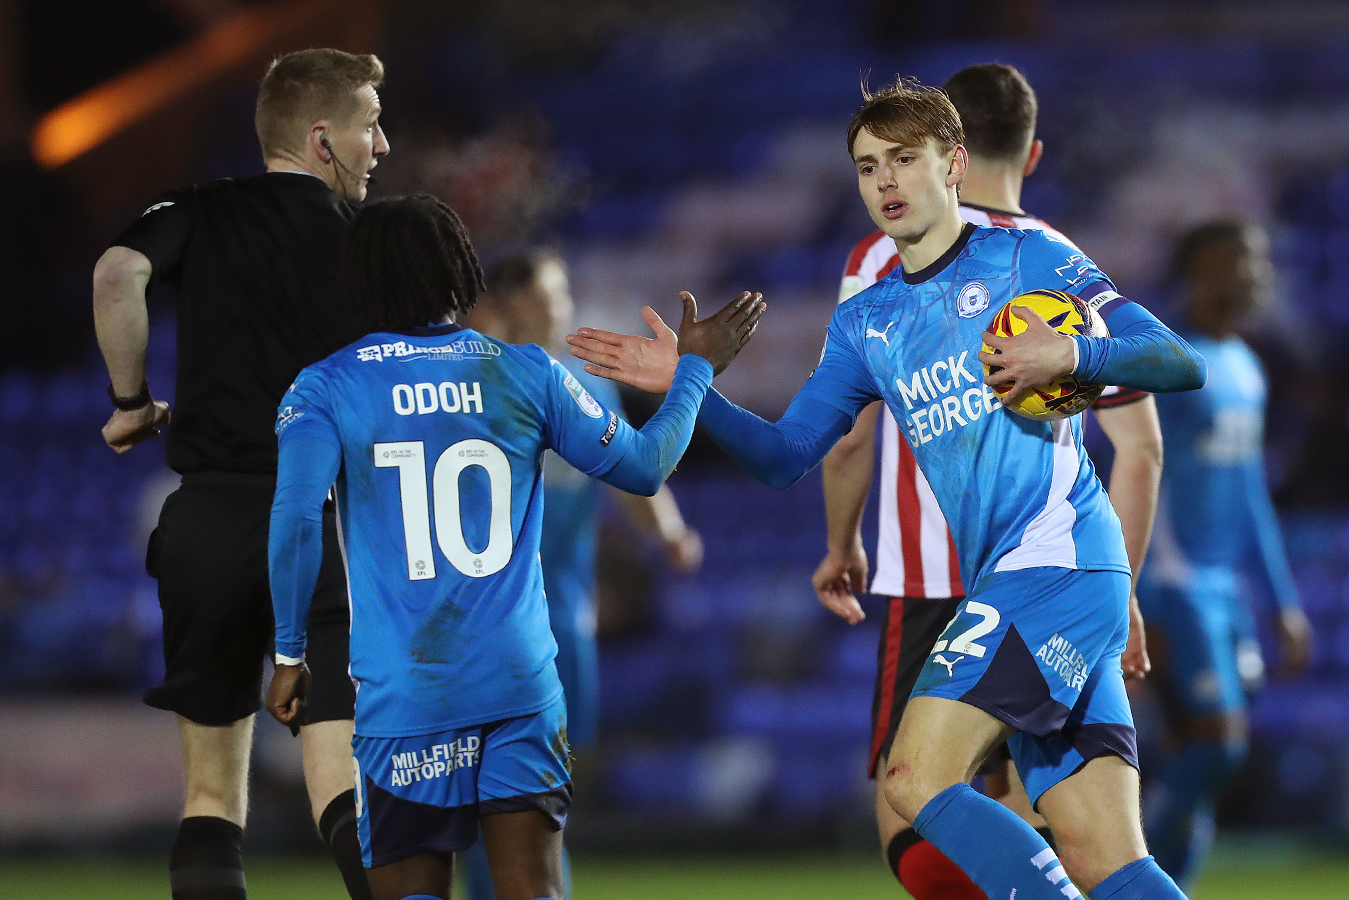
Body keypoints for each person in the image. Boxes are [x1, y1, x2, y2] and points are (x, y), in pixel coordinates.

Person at [570, 77, 1204, 900]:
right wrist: (690, 381)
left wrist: (1074, 357)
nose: (886, 184)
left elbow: (1174, 359)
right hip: (1032, 576)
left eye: (905, 160)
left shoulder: (1025, 256)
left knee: (912, 778)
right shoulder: (866, 322)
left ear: (955, 164)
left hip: (1056, 561)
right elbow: (785, 454)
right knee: (1108, 861)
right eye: (868, 168)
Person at [263, 194, 763, 900]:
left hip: (407, 691)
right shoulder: (527, 372)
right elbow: (647, 467)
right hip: (519, 684)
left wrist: (290, 652)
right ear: (462, 278)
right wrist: (696, 371)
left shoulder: (327, 385)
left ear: (361, 280)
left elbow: (292, 520)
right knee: (533, 889)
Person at [814, 63, 1163, 900]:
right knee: (1071, 833)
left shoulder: (879, 259)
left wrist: (839, 543)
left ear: (948, 152)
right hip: (1061, 571)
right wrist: (1122, 592)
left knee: (916, 816)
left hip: (938, 579)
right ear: (1032, 153)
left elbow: (848, 435)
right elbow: (1140, 446)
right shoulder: (1051, 255)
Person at [92, 48, 390, 900]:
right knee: (344, 788)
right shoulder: (371, 240)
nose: (385, 144)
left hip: (212, 522)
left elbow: (118, 272)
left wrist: (132, 401)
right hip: (332, 527)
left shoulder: (200, 209)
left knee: (212, 796)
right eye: (371, 124)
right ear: (323, 137)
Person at [458, 249, 706, 900]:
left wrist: (672, 535)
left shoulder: (587, 387)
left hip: (562, 619)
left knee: (545, 792)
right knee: (500, 792)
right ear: (506, 309)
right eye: (547, 296)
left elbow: (633, 478)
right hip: (485, 625)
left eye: (563, 294)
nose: (561, 308)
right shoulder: (473, 389)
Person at [1137, 221, 1311, 892]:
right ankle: (1118, 876)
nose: (1256, 276)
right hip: (1171, 583)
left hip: (1224, 590)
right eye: (1241, 262)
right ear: (1200, 271)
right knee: (1217, 745)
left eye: (1261, 263)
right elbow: (1132, 466)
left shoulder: (1247, 366)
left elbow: (1250, 499)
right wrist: (1131, 588)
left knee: (1199, 758)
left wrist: (1283, 602)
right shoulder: (1167, 360)